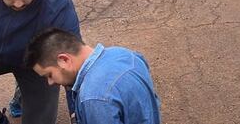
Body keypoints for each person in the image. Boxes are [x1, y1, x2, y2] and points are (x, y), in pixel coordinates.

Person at [25, 29, 161, 124]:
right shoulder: (124, 54)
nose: (50, 82)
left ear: (64, 60)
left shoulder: (94, 97)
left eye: (49, 75)